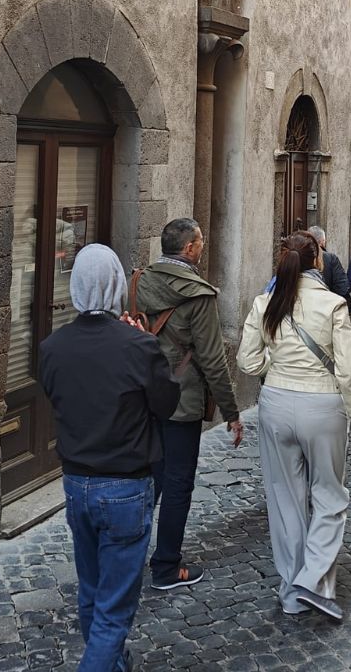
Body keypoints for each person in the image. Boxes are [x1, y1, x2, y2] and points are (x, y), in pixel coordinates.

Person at [39, 244, 179, 672]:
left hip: (76, 483)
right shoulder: (137, 346)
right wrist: (142, 341)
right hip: (125, 484)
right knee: (114, 609)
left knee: (93, 591)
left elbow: (56, 395)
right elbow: (166, 404)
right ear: (116, 284)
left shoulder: (52, 347)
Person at [238, 231, 351, 622]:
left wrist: (277, 369)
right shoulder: (333, 304)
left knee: (285, 499)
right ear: (318, 260)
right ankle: (313, 579)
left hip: (275, 403)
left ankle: (292, 591)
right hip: (322, 405)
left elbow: (247, 361)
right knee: (330, 496)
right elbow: (347, 368)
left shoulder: (265, 302)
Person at [136, 218, 243, 593]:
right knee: (178, 481)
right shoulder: (198, 294)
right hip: (181, 400)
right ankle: (166, 565)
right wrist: (231, 412)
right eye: (199, 242)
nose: (202, 246)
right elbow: (213, 360)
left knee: (149, 477)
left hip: (144, 396)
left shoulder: (140, 281)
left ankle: (128, 554)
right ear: (189, 249)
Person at [311, 227, 351, 299]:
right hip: (326, 303)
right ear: (322, 241)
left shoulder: (298, 256)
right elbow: (342, 287)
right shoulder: (331, 258)